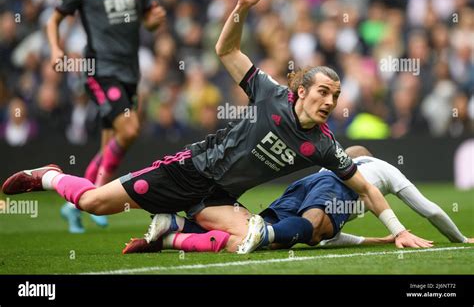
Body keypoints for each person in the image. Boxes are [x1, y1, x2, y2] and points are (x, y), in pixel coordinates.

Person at [2, 0, 430, 250]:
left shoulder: (322, 145)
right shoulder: (269, 93)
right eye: (322, 92)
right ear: (300, 90)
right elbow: (225, 50)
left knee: (256, 239)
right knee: (95, 202)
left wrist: (398, 230)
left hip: (222, 196)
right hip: (189, 171)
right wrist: (241, 9)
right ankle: (51, 175)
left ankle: (170, 233)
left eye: (335, 97)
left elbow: (366, 188)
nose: (329, 102)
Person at [123, 146, 471, 254]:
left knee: (266, 236)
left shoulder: (329, 167)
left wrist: (375, 238)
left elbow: (323, 236)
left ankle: (175, 230)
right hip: (328, 189)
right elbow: (431, 210)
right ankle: (178, 230)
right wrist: (461, 239)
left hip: (304, 185)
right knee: (307, 229)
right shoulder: (380, 169)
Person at [46, 0, 165, 233]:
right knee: (130, 130)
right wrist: (55, 49)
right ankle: (91, 195)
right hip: (100, 69)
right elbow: (53, 20)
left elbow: (149, 22)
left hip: (130, 72)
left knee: (111, 141)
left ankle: (77, 204)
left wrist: (155, 21)